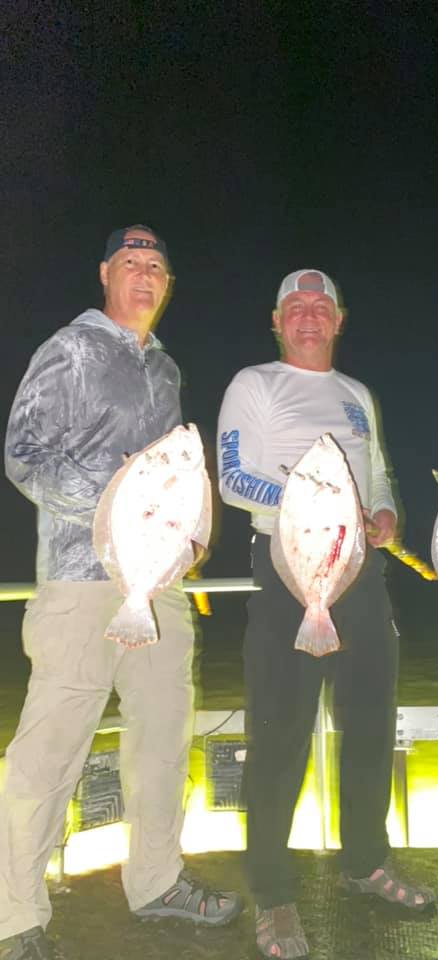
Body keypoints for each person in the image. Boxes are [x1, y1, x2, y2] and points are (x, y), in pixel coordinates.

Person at [1, 225, 240, 960]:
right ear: (106, 273)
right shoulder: (69, 350)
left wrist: (191, 537)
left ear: (168, 285)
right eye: (131, 262)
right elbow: (24, 456)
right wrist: (118, 506)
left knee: (164, 737)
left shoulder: (165, 370)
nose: (144, 274)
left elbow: (176, 476)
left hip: (158, 586)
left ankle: (157, 880)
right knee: (50, 750)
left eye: (156, 266)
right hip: (80, 580)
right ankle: (13, 915)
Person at [218, 269, 435, 959]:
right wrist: (316, 501)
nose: (308, 316)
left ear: (339, 320)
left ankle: (365, 861)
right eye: (295, 307)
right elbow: (233, 478)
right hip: (287, 571)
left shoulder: (357, 395)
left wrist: (385, 514)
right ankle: (273, 893)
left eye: (321, 306)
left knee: (370, 727)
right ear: (276, 320)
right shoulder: (255, 384)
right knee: (279, 737)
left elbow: (379, 475)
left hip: (361, 577)